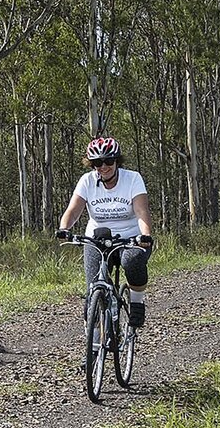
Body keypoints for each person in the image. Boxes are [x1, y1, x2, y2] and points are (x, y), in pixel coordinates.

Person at [56, 136, 154, 327]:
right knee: (93, 289)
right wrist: (64, 229)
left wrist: (146, 235)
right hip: (97, 238)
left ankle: (137, 302)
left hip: (130, 239)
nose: (103, 166)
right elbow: (73, 210)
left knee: (131, 262)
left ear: (117, 160)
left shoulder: (132, 179)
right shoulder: (87, 181)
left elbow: (142, 211)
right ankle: (94, 344)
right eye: (97, 163)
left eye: (108, 161)